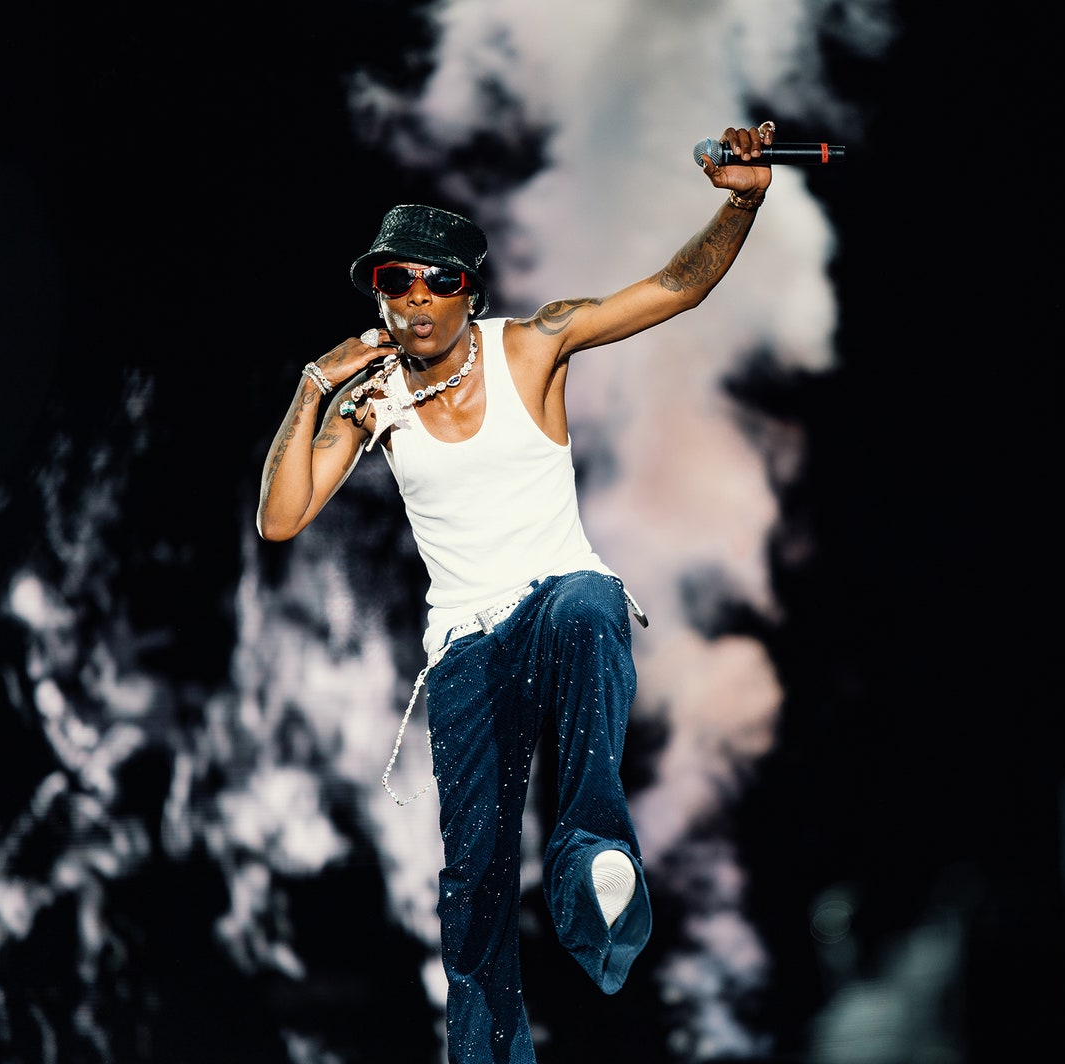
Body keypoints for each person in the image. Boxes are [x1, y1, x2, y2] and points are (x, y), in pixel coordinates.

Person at [256, 120, 777, 1063]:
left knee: (587, 600)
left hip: (554, 606)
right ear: (380, 295)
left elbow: (677, 285)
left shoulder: (534, 348)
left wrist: (739, 200)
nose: (416, 301)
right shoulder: (375, 400)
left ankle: (590, 862)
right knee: (476, 883)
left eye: (437, 281)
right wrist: (312, 390)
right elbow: (282, 517)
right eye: (395, 282)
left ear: (469, 292)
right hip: (464, 649)